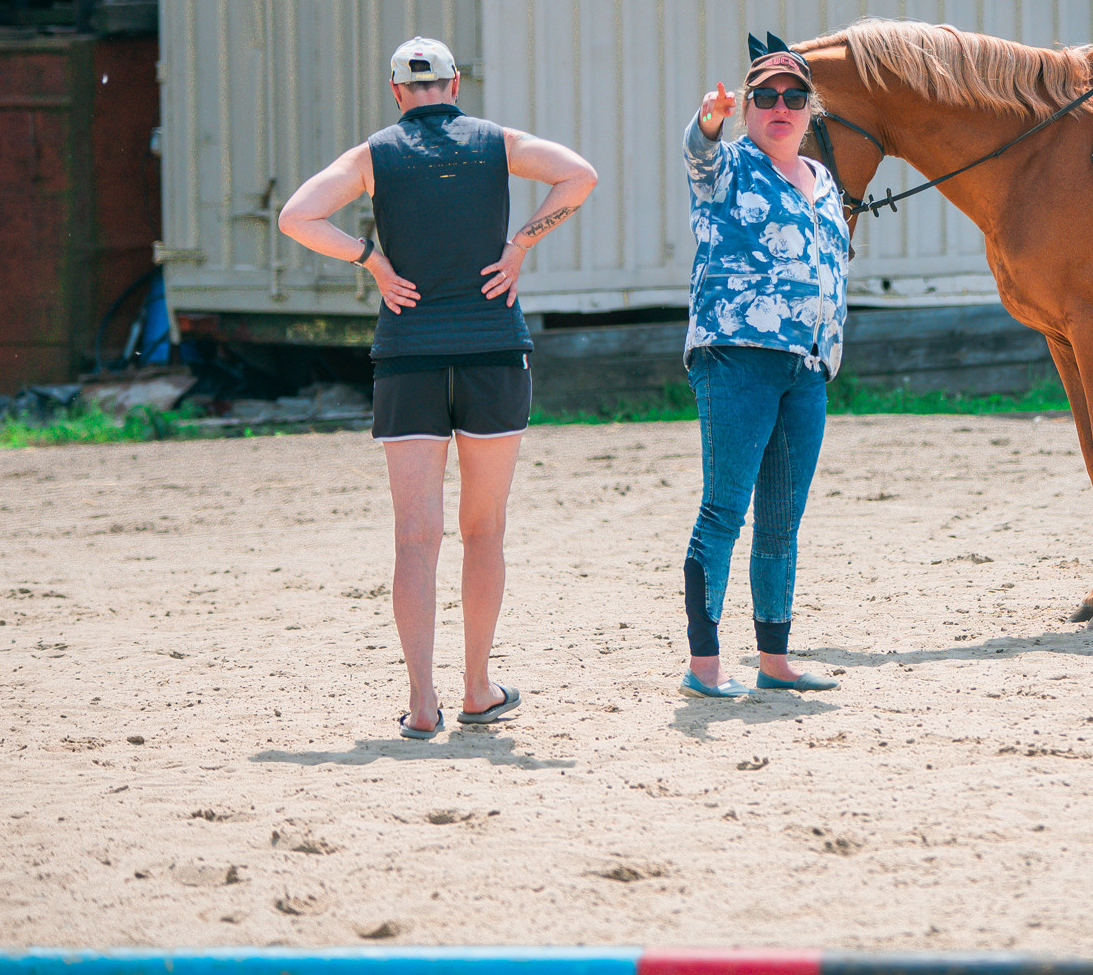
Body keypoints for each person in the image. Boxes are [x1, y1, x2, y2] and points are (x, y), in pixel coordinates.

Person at [279, 36, 598, 739]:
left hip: (407, 358)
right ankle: (478, 689)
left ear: (397, 93)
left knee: (414, 540)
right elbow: (579, 175)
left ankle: (422, 703)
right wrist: (521, 245)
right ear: (455, 83)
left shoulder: (374, 155)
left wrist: (370, 258)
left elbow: (296, 216)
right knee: (483, 531)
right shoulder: (495, 142)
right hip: (491, 352)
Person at [676, 44, 850, 699]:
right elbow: (697, 150)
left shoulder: (824, 180)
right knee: (723, 509)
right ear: (747, 108)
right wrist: (708, 120)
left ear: (810, 110)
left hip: (806, 369)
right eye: (766, 98)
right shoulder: (726, 167)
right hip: (736, 358)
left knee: (782, 520)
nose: (781, 108)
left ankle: (775, 659)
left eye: (794, 98)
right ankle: (705, 666)